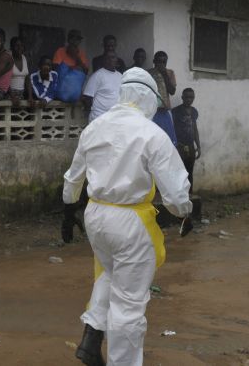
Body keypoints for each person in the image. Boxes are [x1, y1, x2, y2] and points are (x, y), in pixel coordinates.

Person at [63, 67, 192, 366]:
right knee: (129, 304)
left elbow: (72, 179)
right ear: (148, 98)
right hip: (130, 222)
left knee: (109, 274)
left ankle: (91, 340)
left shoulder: (95, 127)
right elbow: (175, 195)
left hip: (95, 215)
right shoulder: (152, 134)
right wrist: (186, 213)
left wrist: (68, 211)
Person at [172, 88, 200, 193]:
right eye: (187, 97)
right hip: (179, 147)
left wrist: (199, 146)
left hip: (191, 147)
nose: (189, 99)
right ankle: (179, 196)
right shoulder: (175, 111)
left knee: (189, 173)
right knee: (179, 173)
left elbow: (195, 129)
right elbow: (172, 129)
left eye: (191, 97)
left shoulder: (194, 112)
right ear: (182, 97)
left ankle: (190, 196)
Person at [81, 51, 123, 123]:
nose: (110, 60)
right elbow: (87, 97)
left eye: (113, 57)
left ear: (117, 60)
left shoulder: (120, 76)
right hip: (99, 118)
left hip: (115, 118)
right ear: (104, 60)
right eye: (108, 58)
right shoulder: (97, 75)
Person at [147, 51, 177, 144]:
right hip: (152, 111)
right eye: (159, 61)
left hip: (165, 110)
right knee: (153, 138)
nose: (162, 64)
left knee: (168, 138)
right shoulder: (148, 73)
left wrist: (164, 74)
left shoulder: (170, 73)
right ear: (154, 61)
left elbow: (172, 91)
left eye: (164, 62)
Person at [9, 37, 31, 105]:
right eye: (17, 45)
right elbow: (3, 80)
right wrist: (12, 96)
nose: (20, 48)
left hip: (22, 95)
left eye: (21, 45)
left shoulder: (25, 58)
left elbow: (27, 79)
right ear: (11, 47)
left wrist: (30, 96)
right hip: (9, 94)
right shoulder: (8, 58)